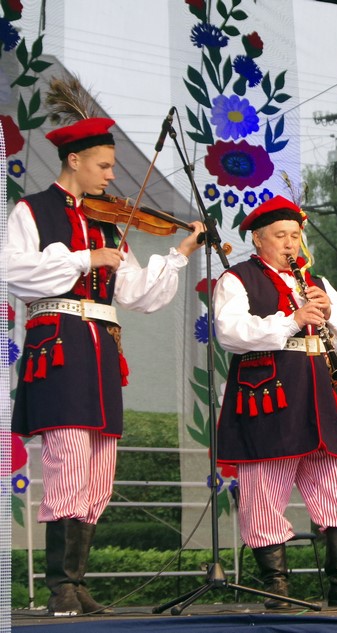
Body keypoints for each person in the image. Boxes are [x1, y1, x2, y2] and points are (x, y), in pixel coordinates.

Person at [3, 117, 205, 616]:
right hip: (59, 341)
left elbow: (135, 293)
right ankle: (60, 586)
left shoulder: (108, 221)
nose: (112, 176)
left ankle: (76, 582)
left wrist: (179, 255)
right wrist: (83, 259)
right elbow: (13, 271)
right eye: (105, 166)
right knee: (69, 458)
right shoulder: (32, 210)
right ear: (75, 160)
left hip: (102, 347)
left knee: (98, 469)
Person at [213, 195, 337, 608]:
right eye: (281, 235)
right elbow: (230, 332)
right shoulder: (237, 278)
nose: (290, 244)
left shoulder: (313, 281)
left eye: (295, 235)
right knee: (263, 490)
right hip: (268, 395)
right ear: (258, 239)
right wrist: (292, 320)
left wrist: (328, 311)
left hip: (315, 393)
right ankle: (276, 586)